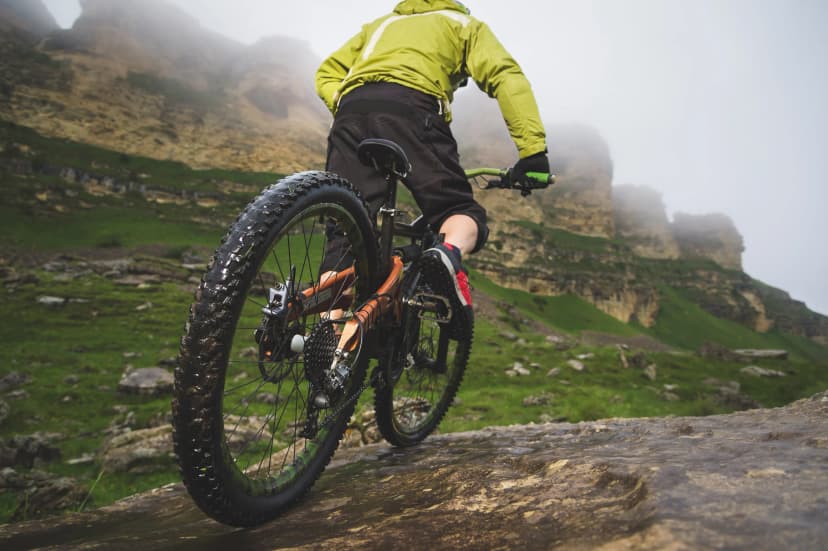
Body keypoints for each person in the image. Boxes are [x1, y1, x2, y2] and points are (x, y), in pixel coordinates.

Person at [316, 0, 549, 337]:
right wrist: (533, 152)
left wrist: (344, 101)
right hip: (412, 110)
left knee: (348, 225)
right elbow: (503, 74)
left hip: (351, 113)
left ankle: (329, 330)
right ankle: (446, 253)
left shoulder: (380, 25)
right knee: (457, 209)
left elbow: (326, 71)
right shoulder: (462, 24)